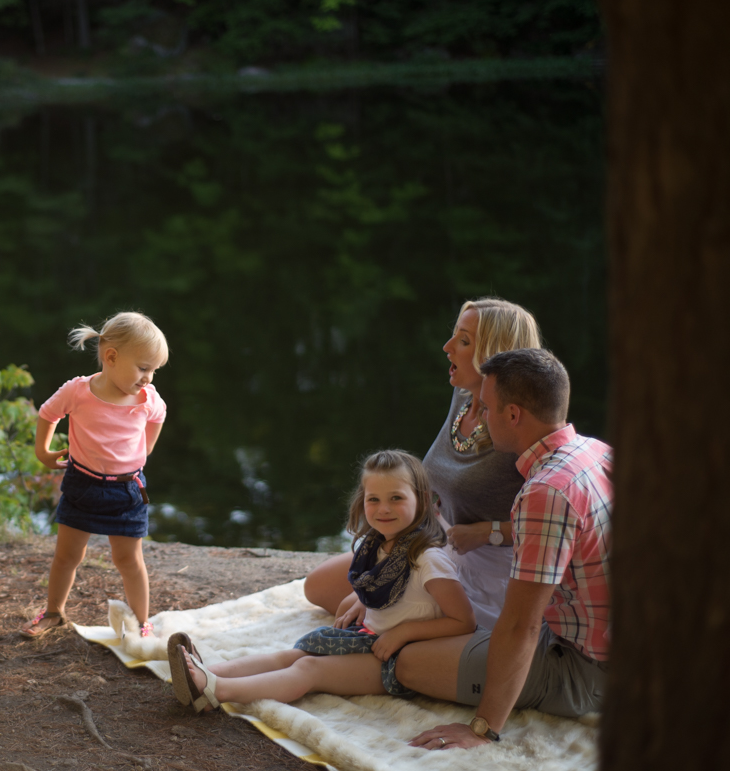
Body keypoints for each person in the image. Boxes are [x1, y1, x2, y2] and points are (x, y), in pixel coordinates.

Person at [403, 348, 612, 750]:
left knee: (411, 664)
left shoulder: (546, 490)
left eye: (485, 407)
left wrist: (482, 728)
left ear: (513, 415)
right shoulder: (595, 451)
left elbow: (523, 626)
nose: (479, 417)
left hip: (589, 671)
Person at [167, 450, 476, 712]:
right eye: (374, 499)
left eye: (396, 498)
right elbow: (390, 592)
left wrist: (403, 633)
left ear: (421, 500)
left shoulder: (428, 558)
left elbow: (463, 621)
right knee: (294, 654)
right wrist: (360, 600)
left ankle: (214, 691)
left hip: (400, 660)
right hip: (371, 639)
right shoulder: (378, 545)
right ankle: (207, 670)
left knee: (309, 670)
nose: (383, 508)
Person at [305, 298, 541, 630]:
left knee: (374, 618)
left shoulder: (518, 424)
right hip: (439, 542)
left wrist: (490, 532)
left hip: (493, 568)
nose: (447, 348)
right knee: (321, 586)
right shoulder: (463, 396)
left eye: (463, 341)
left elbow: (552, 524)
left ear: (494, 353)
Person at [19, 312, 169, 639]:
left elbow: (159, 416)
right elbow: (48, 413)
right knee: (67, 556)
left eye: (154, 371)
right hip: (81, 485)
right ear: (112, 357)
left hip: (127, 490)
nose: (149, 378)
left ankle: (143, 622)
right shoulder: (79, 391)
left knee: (128, 560)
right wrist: (42, 453)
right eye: (144, 369)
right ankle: (55, 613)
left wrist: (145, 450)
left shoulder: (147, 399)